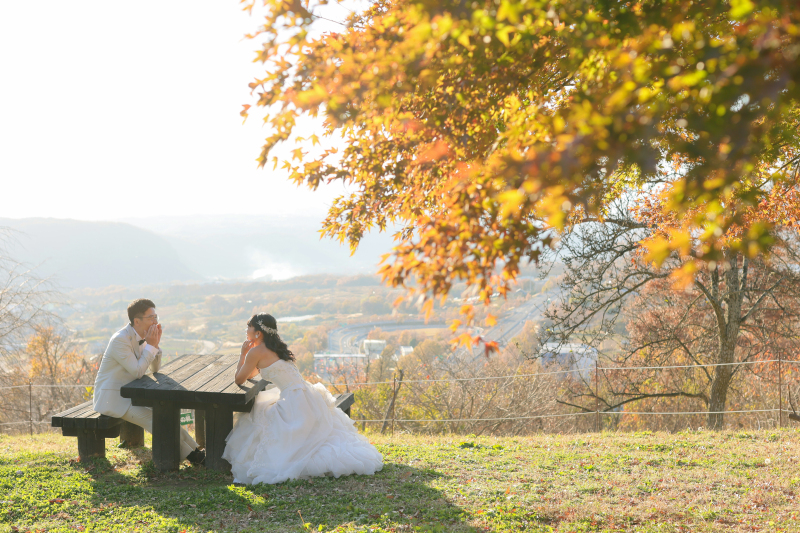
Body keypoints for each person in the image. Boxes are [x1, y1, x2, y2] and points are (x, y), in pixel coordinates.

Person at [222, 313, 383, 484]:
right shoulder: (274, 346)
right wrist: (249, 359)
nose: (246, 330)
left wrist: (243, 354)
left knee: (257, 415)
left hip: (293, 400)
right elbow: (253, 372)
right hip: (306, 394)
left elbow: (239, 379)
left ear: (258, 333)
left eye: (249, 327)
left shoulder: (255, 351)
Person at [93, 298, 205, 465]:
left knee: (166, 416)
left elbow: (155, 369)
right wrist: (151, 346)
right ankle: (192, 457)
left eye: (156, 317)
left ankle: (195, 449)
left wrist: (155, 344)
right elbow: (138, 371)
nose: (155, 322)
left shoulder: (143, 336)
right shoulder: (120, 340)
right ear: (136, 321)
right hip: (114, 398)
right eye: (151, 318)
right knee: (157, 421)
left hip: (132, 395)